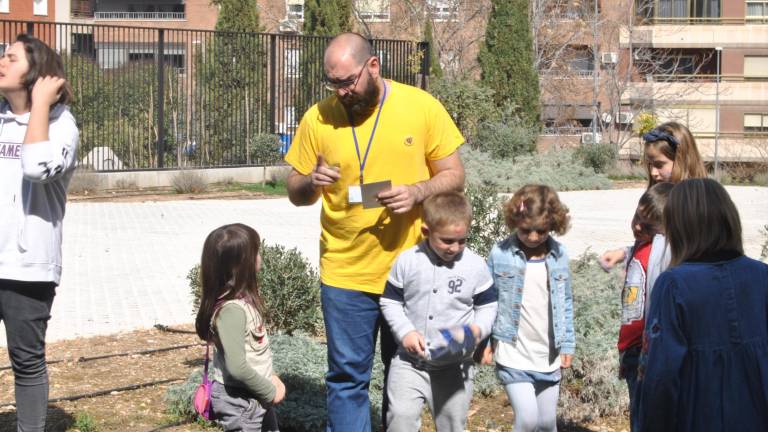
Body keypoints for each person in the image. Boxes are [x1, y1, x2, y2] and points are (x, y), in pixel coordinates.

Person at [284, 32, 465, 431]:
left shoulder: (421, 107)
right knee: (347, 378)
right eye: (334, 84)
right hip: (345, 272)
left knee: (407, 374)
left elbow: (454, 175)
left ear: (374, 67)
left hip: (412, 272)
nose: (342, 92)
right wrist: (311, 181)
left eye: (348, 81)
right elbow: (295, 192)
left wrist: (419, 191)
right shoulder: (318, 118)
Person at [636, 178, 768, 432]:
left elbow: (661, 376)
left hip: (698, 415)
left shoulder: (673, 285)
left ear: (678, 226)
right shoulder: (762, 276)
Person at [0, 34, 79, 431]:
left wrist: (42, 106)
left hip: (28, 266)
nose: (1, 61)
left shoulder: (61, 125)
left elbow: (36, 167)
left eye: (10, 57)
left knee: (26, 360)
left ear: (36, 72)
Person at [380, 191, 497, 432]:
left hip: (454, 367)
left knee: (452, 425)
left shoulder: (475, 265)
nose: (455, 248)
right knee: (399, 420)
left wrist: (478, 330)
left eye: (462, 240)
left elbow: (487, 305)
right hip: (409, 364)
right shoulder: (408, 261)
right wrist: (405, 332)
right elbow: (390, 302)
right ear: (426, 231)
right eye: (446, 240)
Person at [483, 184, 575, 432]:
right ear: (515, 221)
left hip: (547, 352)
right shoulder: (500, 253)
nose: (533, 237)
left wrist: (567, 343)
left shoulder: (558, 255)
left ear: (554, 224)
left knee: (546, 424)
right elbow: (487, 301)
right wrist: (485, 342)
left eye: (541, 231)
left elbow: (565, 300)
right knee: (527, 420)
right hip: (512, 351)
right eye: (526, 230)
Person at [194, 224, 286, 431]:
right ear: (240, 265)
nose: (260, 256)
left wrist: (270, 376)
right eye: (256, 252)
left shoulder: (242, 301)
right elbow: (237, 367)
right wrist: (270, 391)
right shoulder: (232, 311)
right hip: (242, 402)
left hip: (252, 396)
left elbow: (252, 351)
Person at [603, 183, 673, 430]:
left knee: (645, 417)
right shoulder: (642, 246)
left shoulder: (664, 253)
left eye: (647, 225)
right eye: (636, 217)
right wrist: (621, 253)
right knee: (638, 411)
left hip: (647, 350)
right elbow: (637, 248)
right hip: (631, 347)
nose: (637, 226)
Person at [600, 121, 706, 270]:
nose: (653, 172)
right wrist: (623, 253)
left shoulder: (697, 209)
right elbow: (653, 246)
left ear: (682, 160)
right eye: (650, 164)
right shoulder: (657, 198)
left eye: (659, 165)